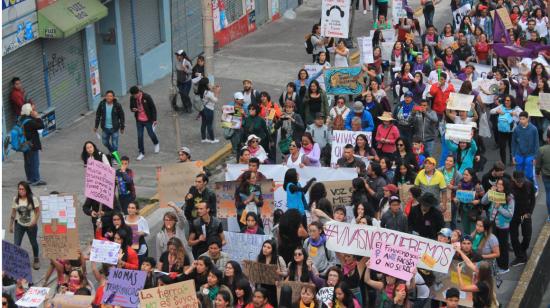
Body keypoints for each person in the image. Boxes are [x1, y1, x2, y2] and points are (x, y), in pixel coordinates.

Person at [481, 178, 514, 274]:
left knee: (502, 246)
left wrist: (499, 207)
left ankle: (504, 267)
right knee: (493, 245)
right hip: (492, 223)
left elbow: (510, 214)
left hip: (503, 226)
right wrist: (489, 192)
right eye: (498, 184)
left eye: (501, 184)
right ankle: (495, 266)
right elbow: (483, 201)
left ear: (505, 186)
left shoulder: (510, 198)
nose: (499, 186)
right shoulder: (495, 193)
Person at [9, 181, 40, 270]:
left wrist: (35, 221)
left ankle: (36, 259)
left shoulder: (33, 199)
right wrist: (11, 225)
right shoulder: (15, 199)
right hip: (19, 225)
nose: (21, 191)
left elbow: (38, 211)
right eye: (19, 189)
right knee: (16, 244)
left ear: (27, 190)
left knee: (33, 243)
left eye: (23, 189)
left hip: (31, 226)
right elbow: (13, 212)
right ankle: (16, 262)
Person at [509, 171, 535, 266]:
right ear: (514, 179)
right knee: (514, 236)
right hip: (513, 215)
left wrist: (529, 212)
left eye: (521, 182)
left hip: (524, 214)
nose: (520, 184)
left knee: (527, 235)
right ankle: (519, 256)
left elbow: (533, 199)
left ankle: (522, 251)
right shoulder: (510, 187)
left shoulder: (529, 185)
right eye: (518, 182)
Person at [129, 86, 159, 161]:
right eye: (133, 95)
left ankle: (156, 143)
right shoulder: (132, 98)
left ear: (139, 92)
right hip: (139, 120)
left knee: (151, 133)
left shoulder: (147, 97)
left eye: (135, 95)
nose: (134, 97)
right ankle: (141, 152)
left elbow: (153, 108)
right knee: (140, 136)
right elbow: (131, 107)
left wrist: (154, 119)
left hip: (148, 119)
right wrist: (133, 109)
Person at [19, 103, 46, 186]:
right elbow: (41, 126)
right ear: (29, 112)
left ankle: (30, 179)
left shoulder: (21, 119)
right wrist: (37, 117)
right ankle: (36, 179)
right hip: (32, 145)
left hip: (25, 145)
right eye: (32, 110)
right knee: (35, 162)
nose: (33, 111)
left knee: (28, 162)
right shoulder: (30, 121)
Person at [512, 112, 539, 186]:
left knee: (529, 174)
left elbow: (536, 143)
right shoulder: (516, 129)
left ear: (528, 119)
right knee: (519, 174)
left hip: (530, 154)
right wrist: (513, 156)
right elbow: (513, 143)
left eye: (523, 119)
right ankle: (519, 188)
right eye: (520, 119)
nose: (521, 121)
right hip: (519, 154)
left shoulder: (534, 129)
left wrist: (535, 157)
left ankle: (531, 188)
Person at [257, 239, 288, 305]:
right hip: (262, 286)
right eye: (264, 246)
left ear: (272, 250)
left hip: (274, 287)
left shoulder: (278, 259)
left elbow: (286, 273)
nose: (265, 249)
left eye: (268, 247)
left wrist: (280, 273)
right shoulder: (259, 257)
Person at [196, 77, 221, 143]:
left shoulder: (201, 90)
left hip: (203, 108)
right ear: (206, 84)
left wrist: (213, 88)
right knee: (209, 125)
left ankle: (203, 138)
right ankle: (212, 139)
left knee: (203, 124)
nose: (209, 84)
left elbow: (209, 90)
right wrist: (217, 92)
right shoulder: (208, 93)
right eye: (208, 83)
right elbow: (215, 100)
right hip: (209, 109)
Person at [535, 127, 550, 222]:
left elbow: (538, 164)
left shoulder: (542, 149)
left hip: (546, 176)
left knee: (548, 194)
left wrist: (537, 172)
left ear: (548, 138)